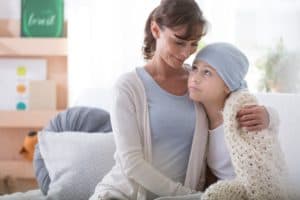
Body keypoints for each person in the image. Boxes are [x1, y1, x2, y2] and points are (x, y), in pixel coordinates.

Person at [89, 1, 277, 200]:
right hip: (123, 194)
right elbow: (131, 162)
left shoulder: (196, 82)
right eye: (179, 41)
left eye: (193, 44)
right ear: (155, 29)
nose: (186, 53)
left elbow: (237, 93)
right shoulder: (128, 87)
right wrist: (189, 195)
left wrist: (270, 116)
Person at [156, 42, 288, 200]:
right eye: (195, 69)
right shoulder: (198, 114)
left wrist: (270, 116)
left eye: (207, 73)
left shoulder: (243, 115)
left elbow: (264, 171)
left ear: (227, 85)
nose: (195, 79)